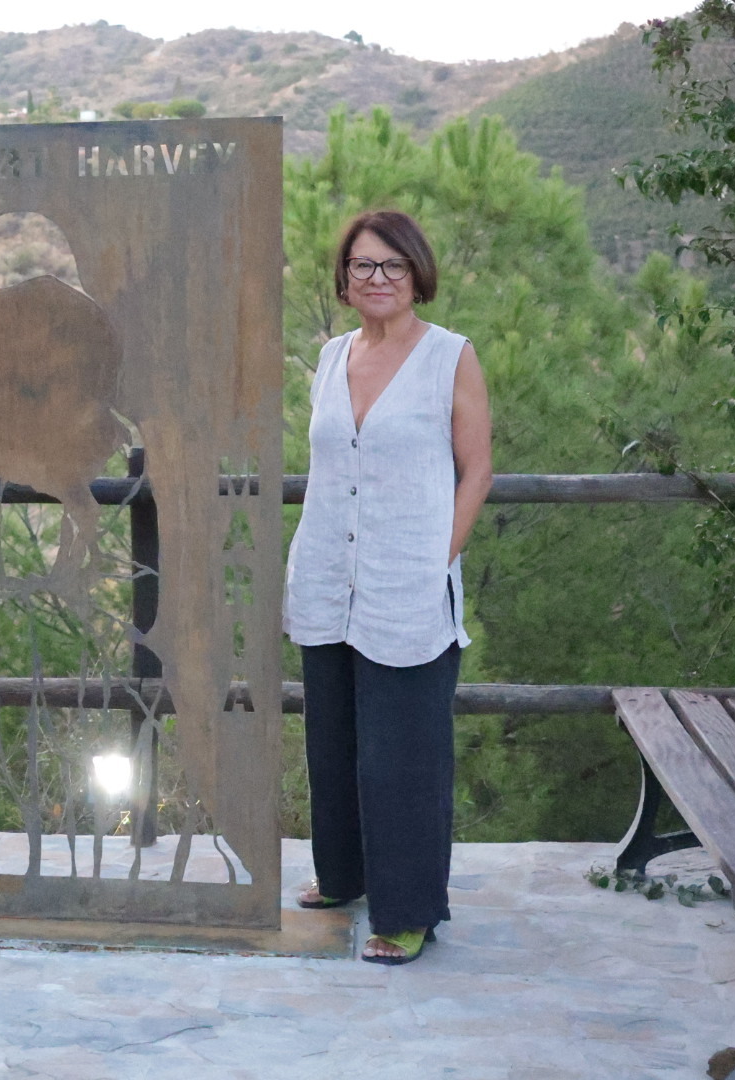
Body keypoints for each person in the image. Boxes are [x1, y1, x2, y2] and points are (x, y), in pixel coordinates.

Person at [283, 210, 493, 965]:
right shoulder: (333, 355)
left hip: (409, 579)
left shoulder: (449, 358)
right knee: (333, 738)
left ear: (417, 273)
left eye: (392, 266)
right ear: (344, 278)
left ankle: (407, 912)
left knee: (402, 755)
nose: (377, 279)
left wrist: (438, 559)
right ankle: (343, 875)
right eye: (363, 266)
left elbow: (478, 471)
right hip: (327, 577)